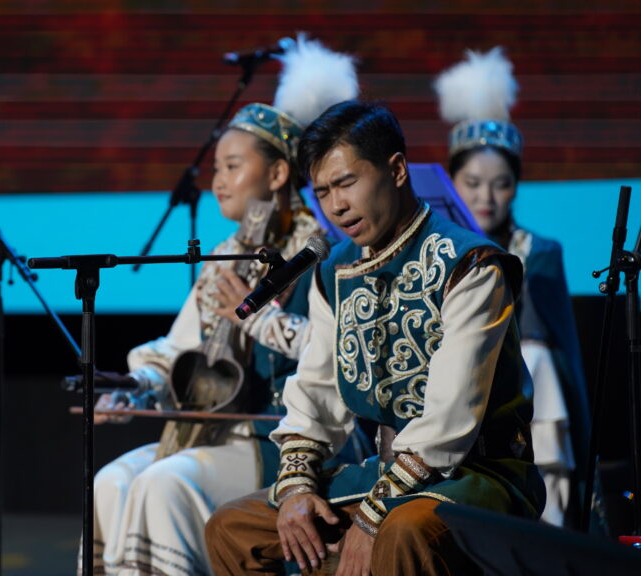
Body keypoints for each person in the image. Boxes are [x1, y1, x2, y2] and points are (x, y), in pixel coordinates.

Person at [205, 100, 545, 576]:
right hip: (389, 477)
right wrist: (298, 489)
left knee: (403, 530)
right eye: (322, 192)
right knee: (233, 527)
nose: (336, 206)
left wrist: (371, 518)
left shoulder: (471, 266)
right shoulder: (333, 271)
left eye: (347, 183)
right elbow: (317, 393)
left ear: (398, 170)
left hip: (476, 474)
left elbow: (450, 420)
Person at [85, 36, 359, 576]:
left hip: (281, 436)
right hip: (216, 433)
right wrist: (134, 387)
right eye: (215, 170)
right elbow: (180, 348)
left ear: (279, 175)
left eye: (233, 166)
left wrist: (261, 319)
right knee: (109, 481)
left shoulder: (324, 252)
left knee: (164, 483)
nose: (217, 183)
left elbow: (339, 352)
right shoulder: (226, 258)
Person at [435, 47, 593, 528]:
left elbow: (556, 352)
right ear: (452, 183)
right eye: (473, 182)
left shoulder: (539, 250)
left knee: (539, 358)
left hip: (523, 406)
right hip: (447, 398)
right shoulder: (436, 251)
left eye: (501, 184)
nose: (486, 196)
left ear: (516, 187)